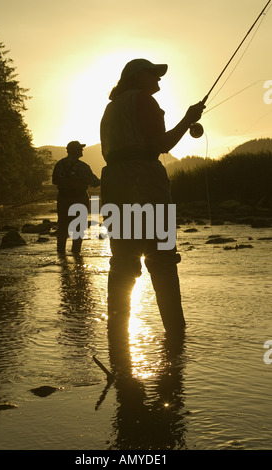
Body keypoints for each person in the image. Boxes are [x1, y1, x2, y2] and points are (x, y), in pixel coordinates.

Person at [100, 58, 204, 340]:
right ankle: (176, 336)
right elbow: (162, 144)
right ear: (137, 77)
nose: (159, 80)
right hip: (143, 182)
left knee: (123, 261)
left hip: (114, 185)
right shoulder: (144, 101)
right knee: (162, 261)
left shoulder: (111, 108)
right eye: (153, 74)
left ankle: (117, 338)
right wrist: (188, 118)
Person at [52, 140, 100, 254]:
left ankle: (60, 253)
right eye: (80, 148)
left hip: (63, 198)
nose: (82, 150)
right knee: (79, 228)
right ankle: (76, 253)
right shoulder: (83, 166)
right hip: (79, 199)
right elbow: (95, 182)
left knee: (63, 225)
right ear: (76, 151)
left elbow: (54, 181)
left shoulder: (59, 164)